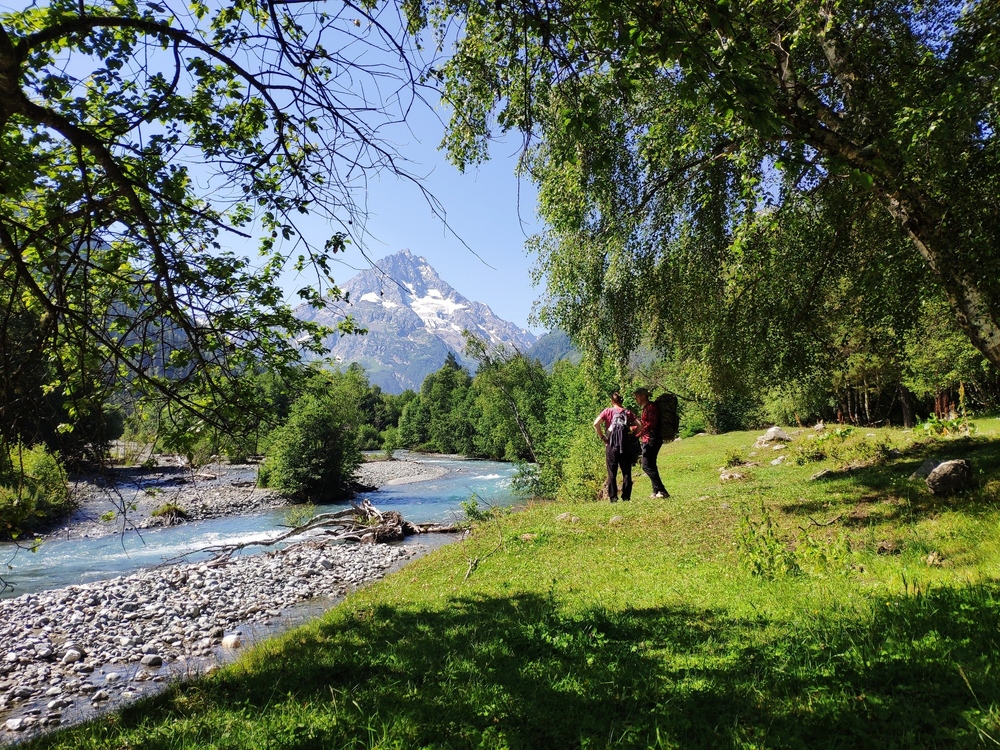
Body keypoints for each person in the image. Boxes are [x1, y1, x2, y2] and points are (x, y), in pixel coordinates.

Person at [593, 392, 638, 502]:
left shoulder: (607, 411)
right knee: (626, 472)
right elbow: (640, 425)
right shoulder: (627, 412)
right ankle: (626, 497)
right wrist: (633, 435)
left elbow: (595, 424)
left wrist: (602, 437)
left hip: (611, 446)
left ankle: (613, 498)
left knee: (611, 473)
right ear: (621, 401)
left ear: (612, 401)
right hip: (625, 446)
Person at [632, 387, 669, 499]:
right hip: (647, 439)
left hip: (652, 439)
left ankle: (662, 490)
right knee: (651, 464)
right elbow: (645, 424)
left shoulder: (651, 407)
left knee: (646, 465)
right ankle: (656, 491)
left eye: (637, 395)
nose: (636, 398)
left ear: (643, 396)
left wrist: (637, 435)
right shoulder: (646, 408)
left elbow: (650, 425)